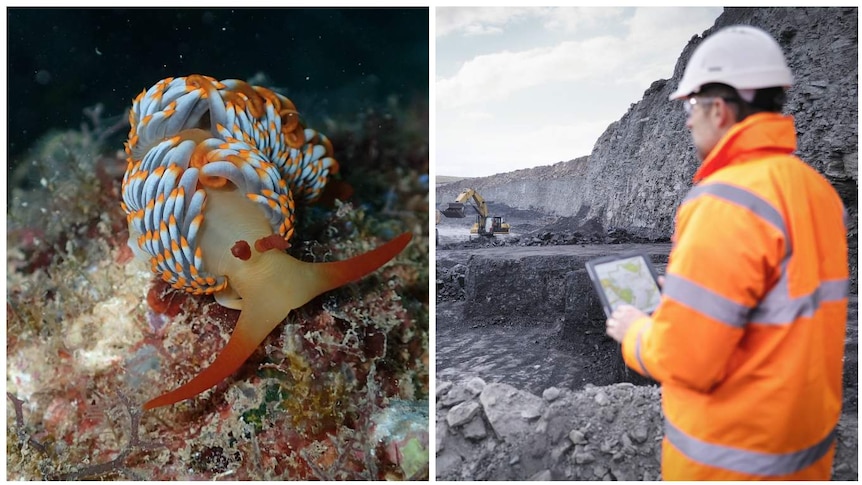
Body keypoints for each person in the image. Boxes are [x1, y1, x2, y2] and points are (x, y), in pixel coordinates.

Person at [605, 25, 849, 480]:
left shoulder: (727, 200)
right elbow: (779, 311)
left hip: (729, 461)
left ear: (719, 109)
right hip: (803, 458)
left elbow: (687, 361)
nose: (686, 119)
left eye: (692, 105)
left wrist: (635, 332)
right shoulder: (816, 192)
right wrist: (687, 297)